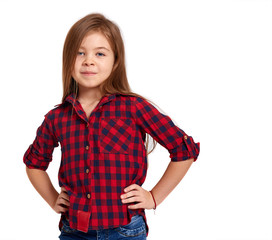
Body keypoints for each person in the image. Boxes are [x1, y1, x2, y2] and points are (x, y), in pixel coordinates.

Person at [23, 13, 200, 240]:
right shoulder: (57, 117)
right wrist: (52, 199)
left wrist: (154, 197)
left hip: (125, 231)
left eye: (99, 53)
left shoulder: (134, 108)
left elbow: (184, 150)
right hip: (74, 231)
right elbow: (34, 163)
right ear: (68, 60)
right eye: (80, 53)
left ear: (115, 61)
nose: (89, 60)